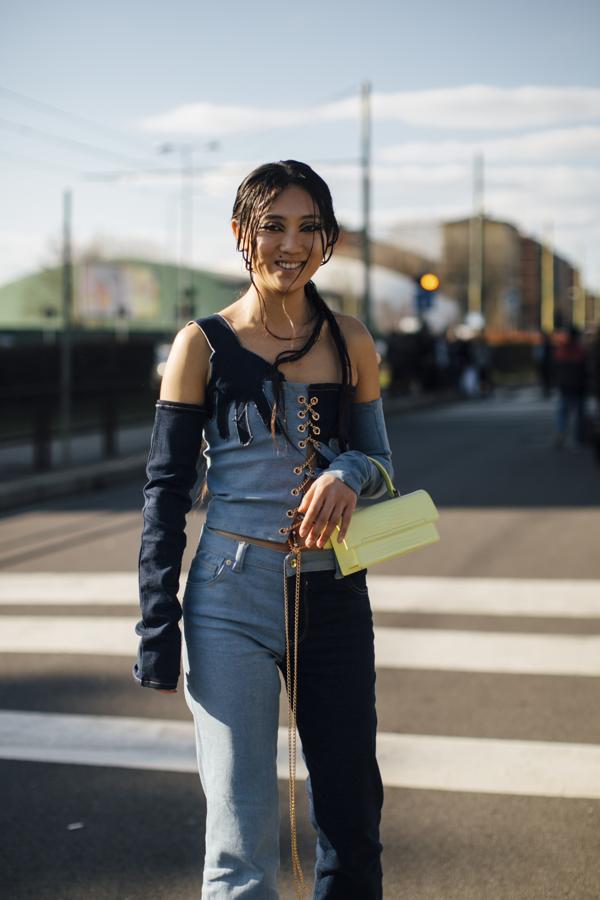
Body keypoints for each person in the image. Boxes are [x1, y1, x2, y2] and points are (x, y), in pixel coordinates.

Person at [133, 160, 394, 899]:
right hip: (229, 600)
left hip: (334, 599)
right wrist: (158, 627)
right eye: (272, 225)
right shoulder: (201, 346)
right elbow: (165, 493)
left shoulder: (351, 340)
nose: (291, 243)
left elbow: (381, 461)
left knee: (352, 819)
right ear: (241, 235)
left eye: (309, 226)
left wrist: (346, 475)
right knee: (242, 838)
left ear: (328, 239)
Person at [553, 324, 588, 449]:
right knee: (579, 414)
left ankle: (561, 434)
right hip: (578, 387)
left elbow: (556, 369)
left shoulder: (561, 350)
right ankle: (578, 437)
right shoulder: (581, 351)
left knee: (563, 412)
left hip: (565, 387)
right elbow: (585, 370)